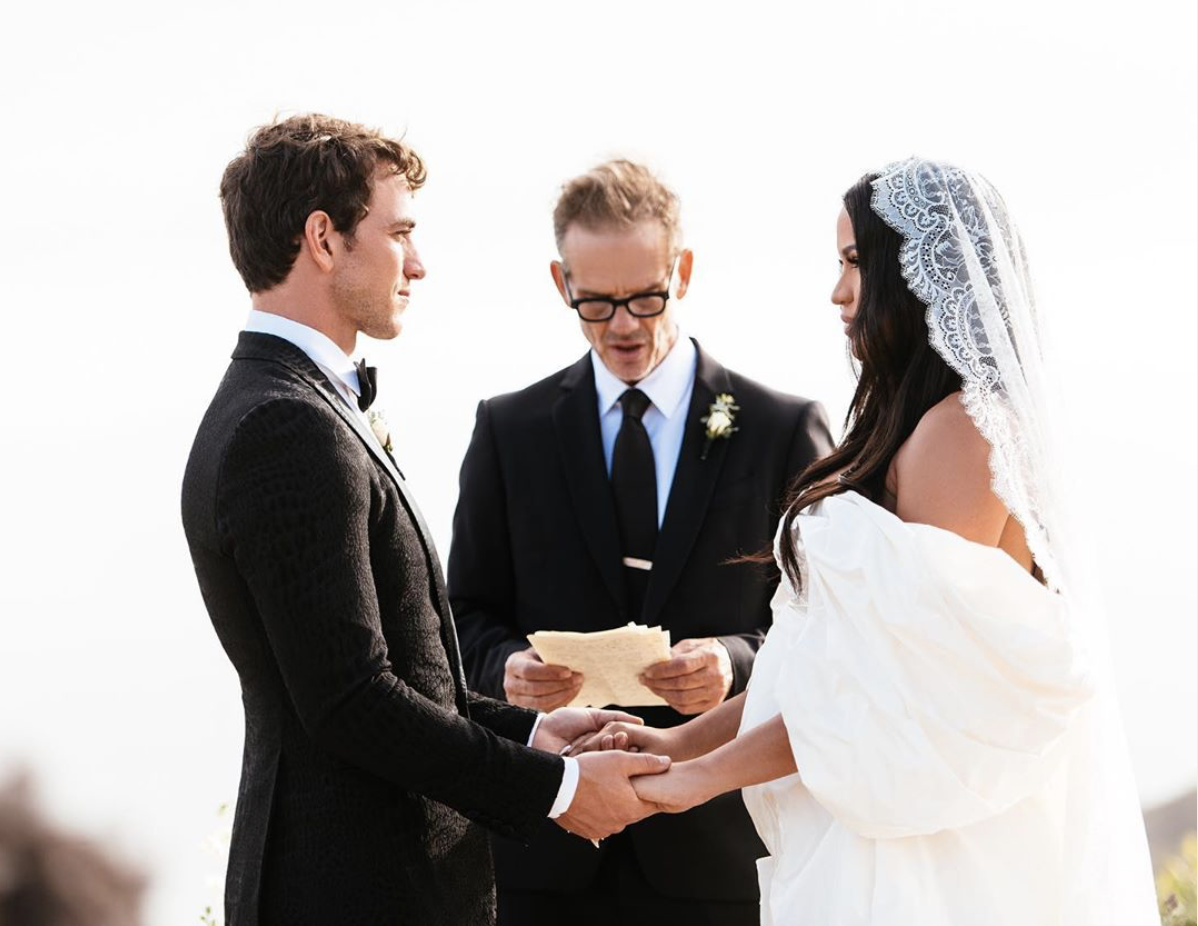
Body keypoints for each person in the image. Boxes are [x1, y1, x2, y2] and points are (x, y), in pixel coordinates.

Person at [577, 158, 1160, 925]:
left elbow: (887, 691)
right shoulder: (910, 424)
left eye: (855, 262)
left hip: (929, 860)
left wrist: (698, 779)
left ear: (914, 272)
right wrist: (676, 745)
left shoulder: (963, 432)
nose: (838, 290)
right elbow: (816, 668)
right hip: (866, 833)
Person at [180, 115, 671, 926]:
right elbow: (351, 701)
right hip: (354, 895)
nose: (418, 263)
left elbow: (402, 673)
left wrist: (533, 732)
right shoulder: (285, 426)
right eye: (400, 233)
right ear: (323, 239)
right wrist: (558, 790)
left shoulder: (289, 404)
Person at [447, 159, 833, 925]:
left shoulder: (782, 429)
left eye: (645, 298)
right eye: (595, 303)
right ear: (561, 283)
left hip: (719, 853)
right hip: (547, 855)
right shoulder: (508, 430)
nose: (623, 326)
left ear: (681, 271)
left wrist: (732, 661)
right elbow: (463, 615)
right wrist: (508, 669)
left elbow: (828, 632)